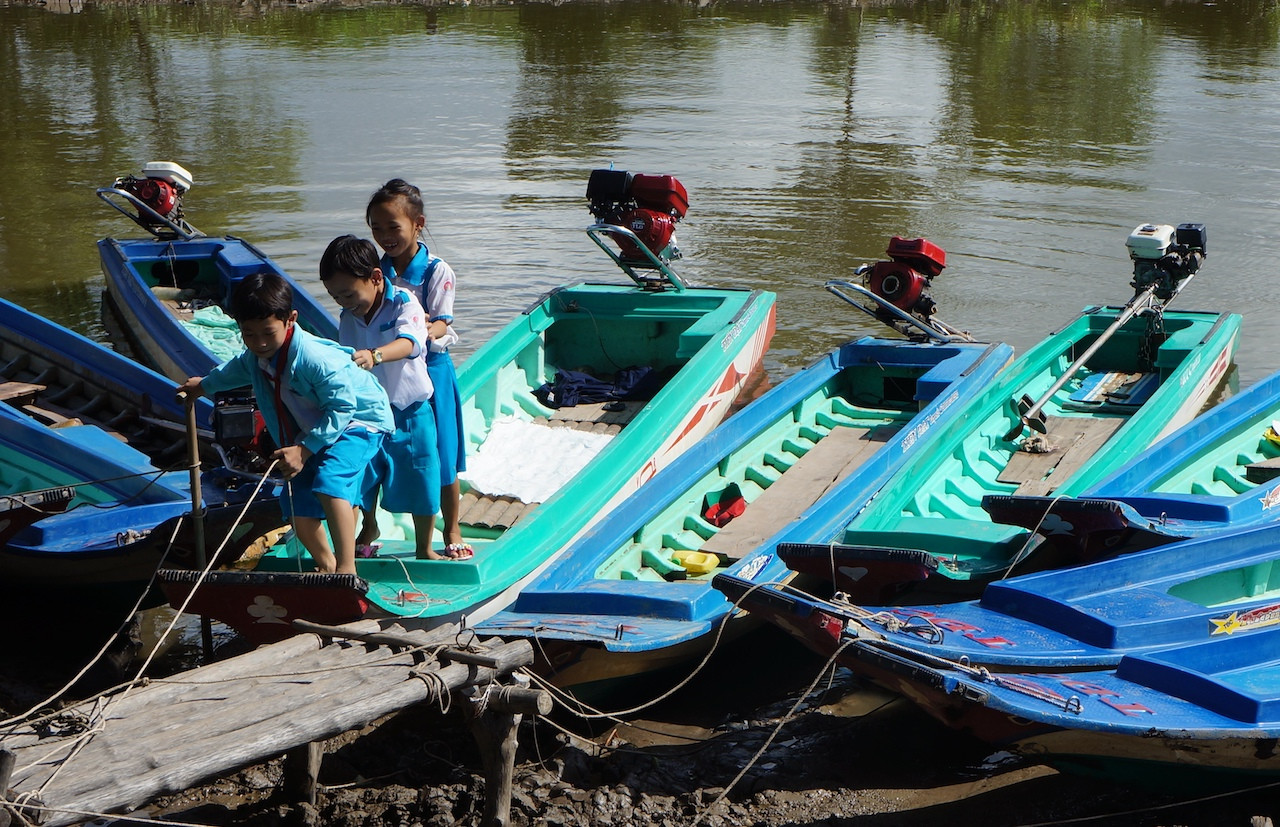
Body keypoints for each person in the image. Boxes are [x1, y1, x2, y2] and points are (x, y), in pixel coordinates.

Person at [177, 271, 394, 576]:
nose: (259, 343)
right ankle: (327, 566)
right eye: (248, 334)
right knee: (296, 503)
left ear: (290, 319)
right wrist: (203, 386)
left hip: (360, 420)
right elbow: (234, 370)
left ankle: (347, 569)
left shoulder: (315, 359)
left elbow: (345, 406)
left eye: (267, 332)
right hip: (317, 427)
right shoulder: (256, 356)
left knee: (331, 482)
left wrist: (304, 450)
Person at [319, 234, 461, 560]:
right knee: (362, 477)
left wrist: (375, 355)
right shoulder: (348, 317)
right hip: (368, 415)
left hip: (410, 409)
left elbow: (411, 343)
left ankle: (424, 548)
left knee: (422, 475)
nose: (343, 302)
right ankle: (362, 536)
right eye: (335, 296)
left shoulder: (405, 303)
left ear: (375, 278)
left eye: (348, 293)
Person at [366, 178, 471, 558]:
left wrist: (418, 328)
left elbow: (443, 323)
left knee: (442, 454)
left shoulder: (437, 271)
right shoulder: (374, 271)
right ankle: (369, 524)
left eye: (393, 227)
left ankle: (452, 528)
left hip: (431, 370)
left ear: (417, 224)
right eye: (376, 228)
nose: (385, 236)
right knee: (378, 448)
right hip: (389, 373)